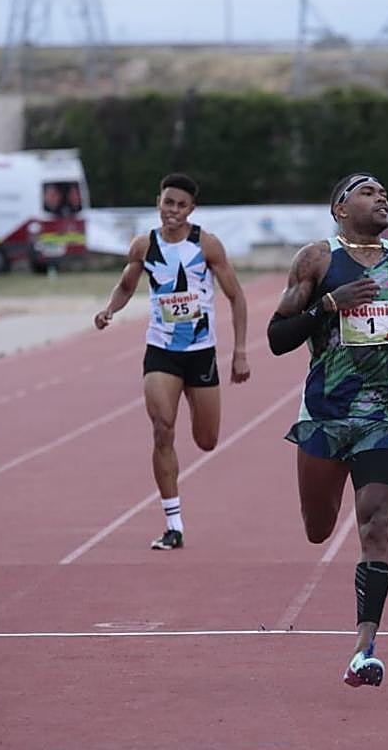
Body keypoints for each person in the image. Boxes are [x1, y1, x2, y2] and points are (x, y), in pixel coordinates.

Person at [267, 172, 388, 688]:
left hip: (385, 415)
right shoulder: (317, 259)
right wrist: (329, 305)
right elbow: (277, 337)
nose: (382, 198)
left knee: (376, 524)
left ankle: (363, 650)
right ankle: (361, 640)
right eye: (368, 192)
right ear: (340, 207)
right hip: (325, 416)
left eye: (384, 193)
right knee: (318, 529)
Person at [94, 172, 251, 550]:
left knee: (207, 440)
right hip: (161, 350)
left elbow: (236, 297)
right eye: (168, 203)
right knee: (162, 429)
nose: (173, 211)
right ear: (158, 203)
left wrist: (240, 352)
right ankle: (173, 524)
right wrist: (110, 309)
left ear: (191, 209)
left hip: (201, 353)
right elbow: (127, 285)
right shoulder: (144, 245)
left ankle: (197, 408)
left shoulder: (207, 245)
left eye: (181, 205)